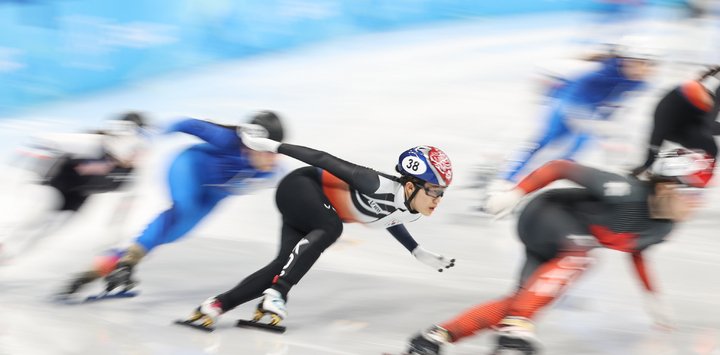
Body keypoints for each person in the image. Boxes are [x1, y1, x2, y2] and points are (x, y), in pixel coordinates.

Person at [406, 149, 713, 355]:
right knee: (581, 257)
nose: (697, 204)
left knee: (521, 301)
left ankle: (437, 336)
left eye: (703, 195)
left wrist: (652, 297)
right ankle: (518, 327)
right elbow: (560, 167)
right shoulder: (626, 191)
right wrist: (515, 193)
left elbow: (636, 249)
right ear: (664, 188)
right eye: (692, 193)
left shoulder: (663, 229)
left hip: (560, 243)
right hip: (544, 214)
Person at [184, 134, 456, 329]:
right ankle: (278, 294)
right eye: (434, 192)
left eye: (441, 193)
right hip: (300, 186)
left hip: (311, 210)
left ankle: (216, 306)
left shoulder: (411, 210)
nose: (437, 199)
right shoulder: (373, 183)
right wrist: (273, 146)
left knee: (283, 265)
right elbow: (322, 158)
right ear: (411, 187)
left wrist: (416, 250)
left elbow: (391, 220)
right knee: (331, 227)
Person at [60, 111, 285, 296]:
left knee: (174, 234)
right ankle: (127, 263)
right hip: (188, 168)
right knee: (182, 209)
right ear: (249, 143)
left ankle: (103, 268)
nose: (270, 158)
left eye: (274, 150)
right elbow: (186, 123)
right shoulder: (227, 139)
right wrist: (149, 137)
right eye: (264, 150)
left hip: (213, 194)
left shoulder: (274, 172)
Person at [493, 36, 658, 187]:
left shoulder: (642, 83)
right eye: (640, 62)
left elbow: (616, 105)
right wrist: (596, 122)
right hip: (560, 100)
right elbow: (569, 105)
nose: (645, 69)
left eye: (650, 64)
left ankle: (543, 181)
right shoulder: (597, 73)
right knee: (543, 141)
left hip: (587, 111)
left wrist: (606, 122)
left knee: (576, 150)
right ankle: (505, 178)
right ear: (624, 61)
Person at [0, 112, 148, 262]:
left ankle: (7, 257)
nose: (135, 154)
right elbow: (40, 141)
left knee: (49, 229)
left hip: (77, 197)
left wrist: (112, 238)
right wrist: (17, 177)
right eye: (133, 147)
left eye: (141, 148)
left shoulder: (130, 173)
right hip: (54, 183)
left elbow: (123, 207)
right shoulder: (92, 143)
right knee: (35, 216)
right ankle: (4, 244)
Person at [632, 66, 719, 180]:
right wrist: (647, 164)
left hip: (688, 117)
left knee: (709, 149)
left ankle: (665, 172)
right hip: (677, 122)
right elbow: (709, 127)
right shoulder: (705, 96)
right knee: (709, 149)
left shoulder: (705, 92)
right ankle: (666, 174)